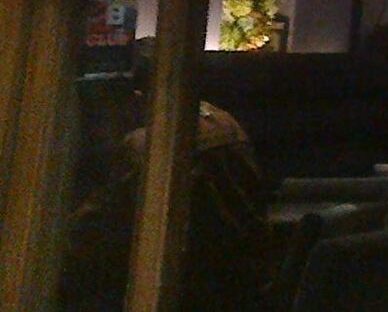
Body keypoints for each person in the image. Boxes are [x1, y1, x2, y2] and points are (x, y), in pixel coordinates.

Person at [64, 42, 269, 310]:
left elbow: (94, 232)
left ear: (139, 96)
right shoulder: (228, 125)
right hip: (236, 284)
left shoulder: (146, 147)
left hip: (182, 289)